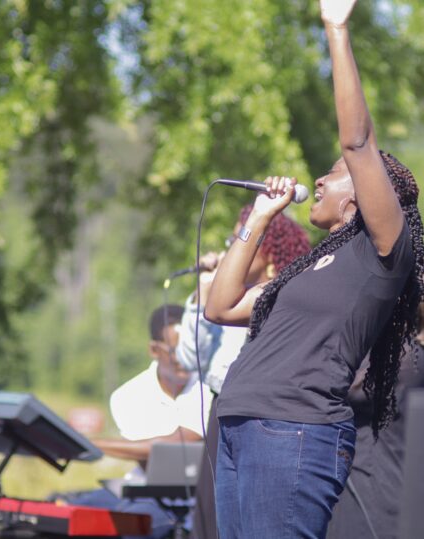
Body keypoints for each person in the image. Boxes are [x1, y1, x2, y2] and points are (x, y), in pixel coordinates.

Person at [204, 1, 424, 537]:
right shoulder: (306, 268)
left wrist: (336, 28)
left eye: (334, 175)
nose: (320, 182)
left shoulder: (382, 253)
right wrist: (257, 217)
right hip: (239, 424)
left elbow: (358, 141)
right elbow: (221, 305)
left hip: (293, 433)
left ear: (368, 198)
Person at [175, 205, 311, 539]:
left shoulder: (280, 295)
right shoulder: (224, 300)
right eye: (233, 237)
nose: (232, 246)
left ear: (267, 253)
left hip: (262, 420)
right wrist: (201, 297)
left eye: (241, 238)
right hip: (222, 414)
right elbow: (188, 358)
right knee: (215, 520)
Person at [59, 304, 212, 539]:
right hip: (142, 487)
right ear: (154, 349)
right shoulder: (127, 395)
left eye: (190, 349)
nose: (184, 358)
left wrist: (87, 443)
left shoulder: (209, 388)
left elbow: (169, 447)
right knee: (63, 516)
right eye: (175, 351)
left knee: (132, 525)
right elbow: (149, 465)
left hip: (196, 497)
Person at [326, 304, 424, 539]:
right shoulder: (412, 355)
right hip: (392, 482)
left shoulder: (404, 357)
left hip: (375, 486)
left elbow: (341, 387)